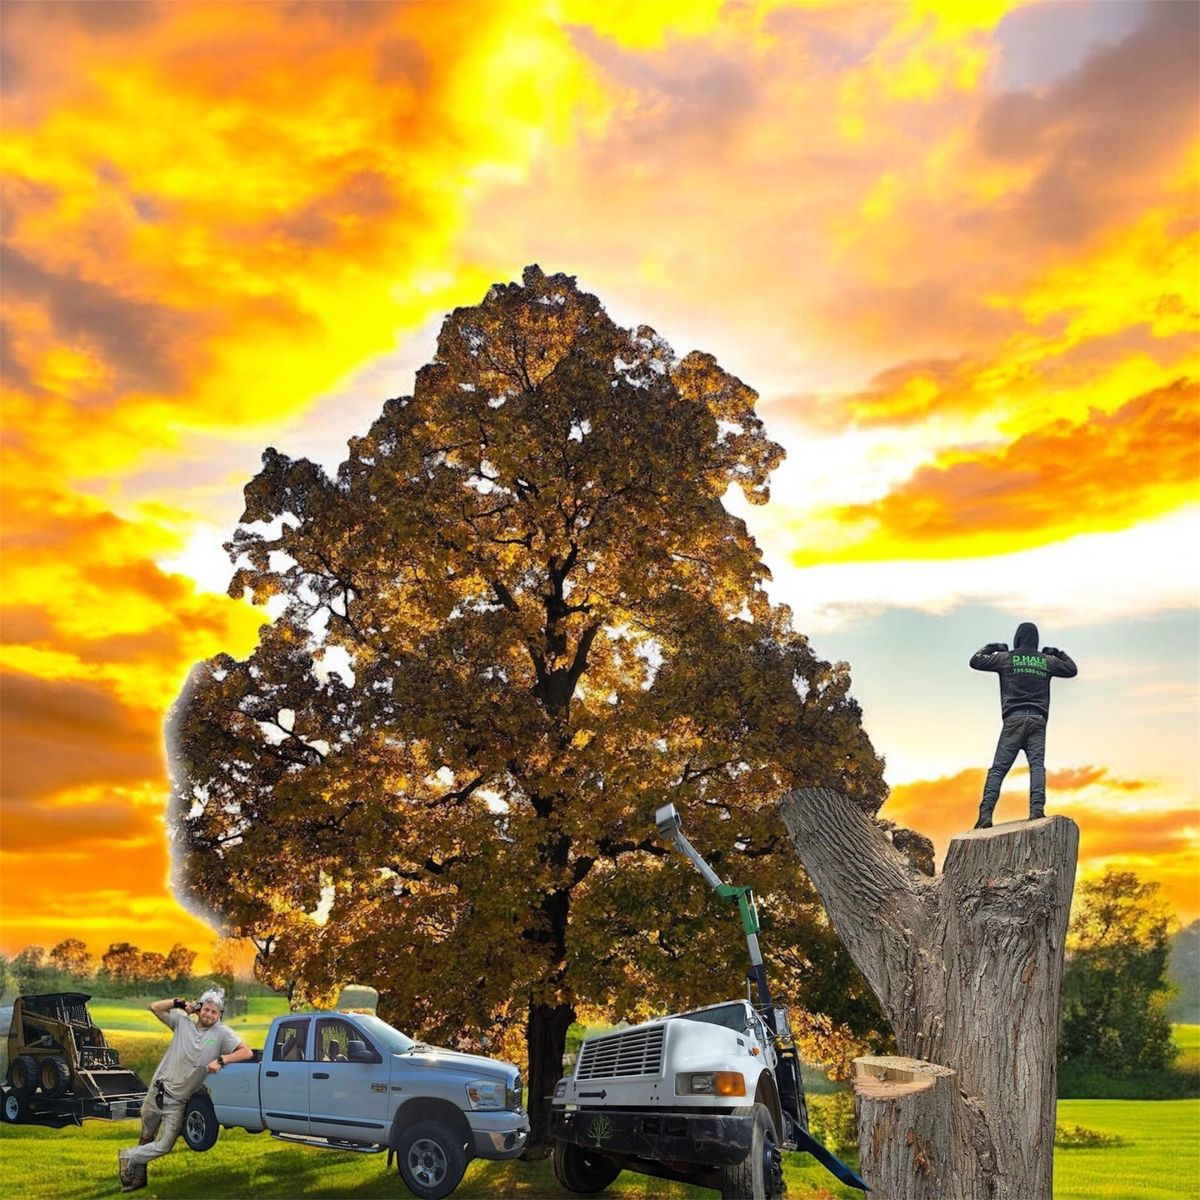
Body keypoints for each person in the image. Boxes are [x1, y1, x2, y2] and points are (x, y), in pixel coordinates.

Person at [117, 988, 252, 1192]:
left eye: (214, 1012)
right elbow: (154, 1007)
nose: (209, 1015)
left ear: (220, 1016)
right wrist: (180, 1004)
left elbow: (246, 1051)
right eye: (206, 1009)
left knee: (164, 1145)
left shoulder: (221, 1034)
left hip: (178, 1101)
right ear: (199, 1009)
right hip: (157, 1091)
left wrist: (222, 1059)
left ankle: (129, 1156)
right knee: (146, 1135)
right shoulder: (182, 1024)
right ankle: (137, 1178)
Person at [970, 621, 1077, 828]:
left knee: (998, 770)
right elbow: (1072, 669)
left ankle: (985, 816)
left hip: (1013, 720)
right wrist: (1058, 653)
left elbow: (975, 661)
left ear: (1017, 637)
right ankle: (1037, 811)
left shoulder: (1006, 658)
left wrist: (992, 648)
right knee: (1037, 767)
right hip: (1038, 720)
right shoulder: (1046, 661)